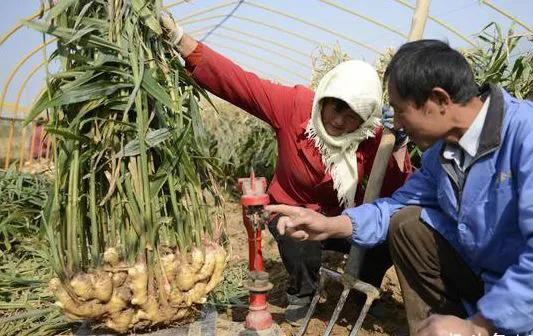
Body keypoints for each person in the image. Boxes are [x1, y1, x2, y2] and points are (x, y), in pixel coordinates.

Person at [266, 40, 533, 335]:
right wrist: (330, 225)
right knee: (406, 222)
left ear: (438, 100)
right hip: (490, 286)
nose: (397, 125)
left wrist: (479, 327)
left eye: (401, 111)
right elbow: (394, 206)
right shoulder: (443, 153)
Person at [160, 16, 412, 325]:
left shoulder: (373, 138)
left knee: (388, 232)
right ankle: (303, 292)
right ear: (325, 97)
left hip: (341, 220)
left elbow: (394, 194)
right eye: (335, 108)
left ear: (364, 120)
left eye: (352, 117)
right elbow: (240, 84)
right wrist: (183, 42)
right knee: (297, 235)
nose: (338, 122)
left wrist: (398, 143)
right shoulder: (294, 106)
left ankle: (363, 290)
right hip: (292, 209)